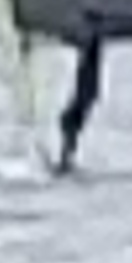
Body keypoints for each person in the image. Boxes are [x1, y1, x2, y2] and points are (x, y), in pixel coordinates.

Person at [54, 10, 109, 175]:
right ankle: (66, 160)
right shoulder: (90, 54)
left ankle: (66, 160)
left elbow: (85, 52)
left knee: (69, 122)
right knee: (70, 123)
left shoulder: (89, 53)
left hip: (87, 91)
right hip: (87, 91)